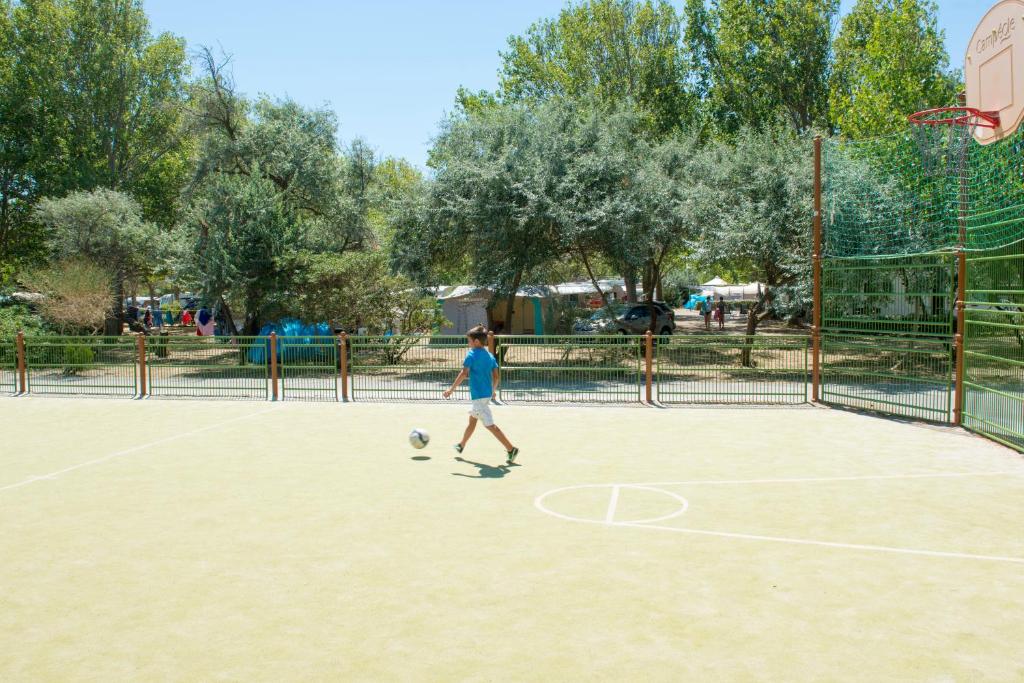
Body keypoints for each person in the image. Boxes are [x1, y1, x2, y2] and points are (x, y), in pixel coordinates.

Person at [442, 325, 519, 464]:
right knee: (472, 421)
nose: (468, 343)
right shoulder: (490, 356)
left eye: (469, 341)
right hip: (485, 395)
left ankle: (510, 448)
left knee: (489, 425)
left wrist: (451, 390)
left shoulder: (471, 355)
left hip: (479, 396)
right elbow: (496, 377)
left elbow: (464, 373)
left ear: (476, 341)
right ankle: (461, 445)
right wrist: (493, 391)